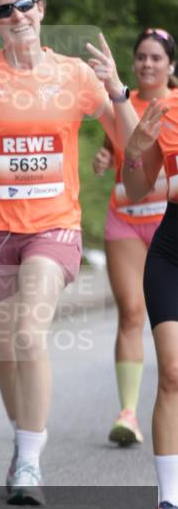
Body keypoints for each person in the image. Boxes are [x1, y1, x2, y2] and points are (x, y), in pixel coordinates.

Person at [0, 0, 138, 505]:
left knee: (29, 333)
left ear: (41, 8)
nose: (17, 15)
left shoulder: (73, 75)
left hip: (53, 225)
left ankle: (29, 461)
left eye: (24, 4)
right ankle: (22, 434)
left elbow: (132, 145)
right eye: (4, 10)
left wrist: (116, 91)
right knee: (5, 350)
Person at [92, 29, 178, 446]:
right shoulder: (118, 103)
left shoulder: (173, 107)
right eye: (141, 57)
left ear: (170, 66)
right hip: (127, 218)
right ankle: (129, 410)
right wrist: (106, 155)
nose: (147, 64)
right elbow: (125, 158)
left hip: (165, 220)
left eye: (155, 58)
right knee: (131, 311)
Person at [122, 84, 178, 509]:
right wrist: (134, 153)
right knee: (173, 372)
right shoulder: (169, 111)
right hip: (171, 252)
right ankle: (171, 507)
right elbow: (138, 188)